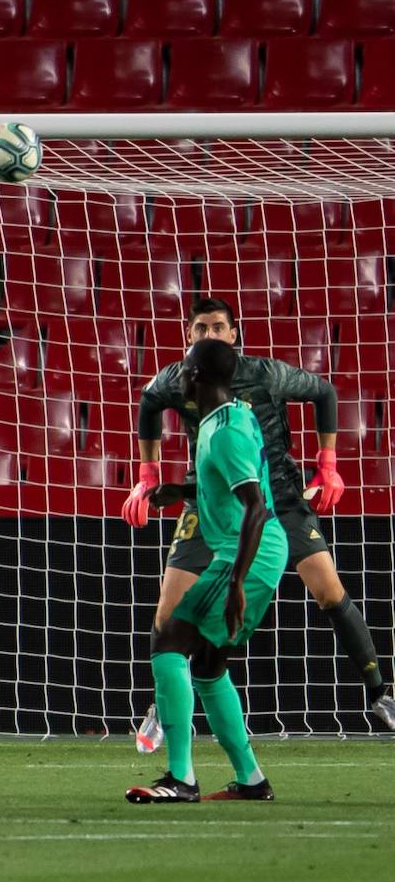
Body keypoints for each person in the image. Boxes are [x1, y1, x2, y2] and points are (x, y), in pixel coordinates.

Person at [125, 298, 395, 747]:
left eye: (218, 328)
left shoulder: (264, 374)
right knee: (167, 608)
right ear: (188, 336)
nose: (209, 335)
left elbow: (324, 392)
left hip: (278, 497)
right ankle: (163, 703)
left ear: (234, 335)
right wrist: (146, 476)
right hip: (208, 496)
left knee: (329, 589)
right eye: (200, 329)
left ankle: (381, 692)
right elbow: (148, 402)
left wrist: (327, 464)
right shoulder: (178, 378)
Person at [126, 338, 287, 803]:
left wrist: (236, 582)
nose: (178, 374)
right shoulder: (227, 418)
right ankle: (252, 781)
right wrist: (181, 490)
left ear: (196, 377)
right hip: (243, 549)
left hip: (247, 553)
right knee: (210, 667)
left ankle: (180, 778)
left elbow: (255, 507)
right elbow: (226, 488)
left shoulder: (227, 431)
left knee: (168, 641)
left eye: (184, 367)